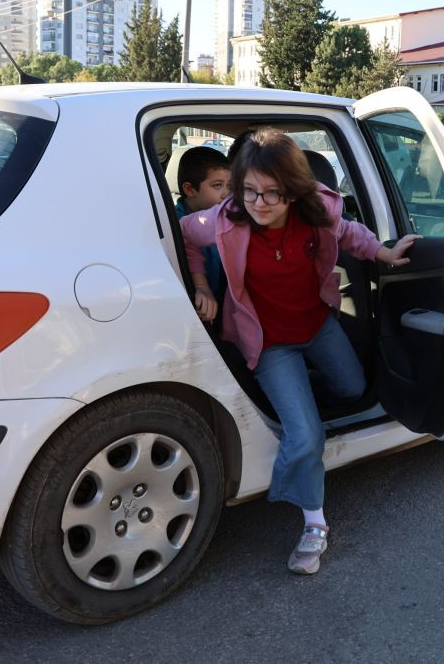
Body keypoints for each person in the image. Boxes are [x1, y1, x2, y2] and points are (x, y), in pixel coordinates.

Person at [180, 129, 419, 574]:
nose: (259, 203)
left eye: (273, 193)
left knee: (353, 387)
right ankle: (314, 523)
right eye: (249, 190)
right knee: (307, 435)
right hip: (269, 344)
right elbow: (186, 236)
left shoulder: (318, 210)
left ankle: (295, 406)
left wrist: (384, 254)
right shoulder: (225, 219)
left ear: (293, 189)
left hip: (318, 325)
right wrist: (200, 286)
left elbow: (350, 233)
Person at [174, 146, 231, 304]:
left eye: (229, 186)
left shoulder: (221, 217)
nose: (226, 194)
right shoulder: (174, 224)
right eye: (217, 185)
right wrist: (202, 287)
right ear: (190, 189)